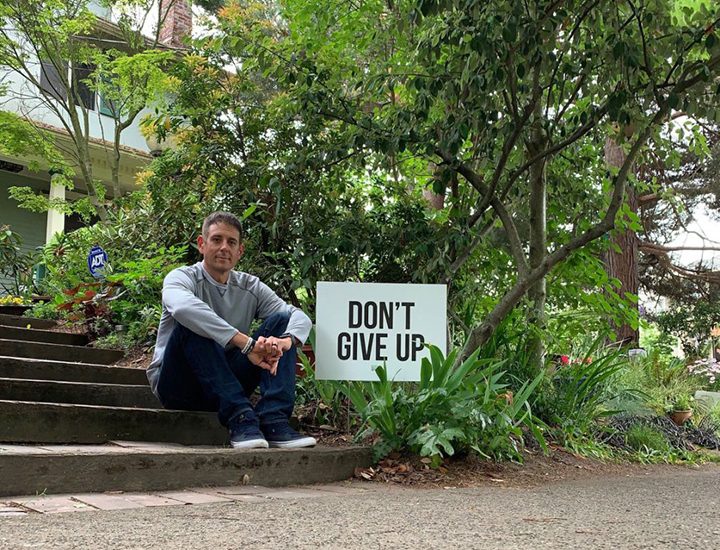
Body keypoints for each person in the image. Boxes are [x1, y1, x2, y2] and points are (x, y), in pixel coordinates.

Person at [146, 211, 316, 449]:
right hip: (179, 386)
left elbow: (297, 316)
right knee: (192, 323)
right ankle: (241, 417)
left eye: (231, 242)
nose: (224, 247)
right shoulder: (183, 277)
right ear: (201, 244)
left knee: (281, 320)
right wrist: (245, 343)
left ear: (240, 251)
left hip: (226, 379)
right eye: (216, 240)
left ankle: (274, 420)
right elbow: (183, 307)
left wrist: (286, 341)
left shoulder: (250, 286)